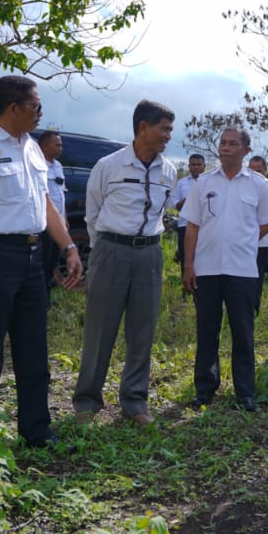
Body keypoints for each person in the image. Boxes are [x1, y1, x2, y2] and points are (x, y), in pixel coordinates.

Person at [0, 76, 82, 448]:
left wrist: (69, 247)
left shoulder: (32, 149)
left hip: (32, 256)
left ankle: (37, 429)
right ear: (13, 108)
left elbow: (45, 203)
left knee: (33, 346)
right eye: (36, 106)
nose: (40, 114)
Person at [72, 101, 177, 427]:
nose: (168, 136)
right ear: (143, 127)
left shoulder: (169, 170)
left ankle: (134, 402)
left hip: (150, 254)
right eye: (164, 129)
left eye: (171, 130)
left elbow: (163, 211)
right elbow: (93, 213)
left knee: (142, 329)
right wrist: (105, 249)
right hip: (111, 250)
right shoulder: (109, 166)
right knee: (100, 328)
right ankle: (87, 401)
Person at [183, 127, 268, 411]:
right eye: (222, 143)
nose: (225, 147)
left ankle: (245, 392)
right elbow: (192, 225)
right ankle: (205, 388)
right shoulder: (205, 182)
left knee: (243, 332)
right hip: (207, 268)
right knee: (207, 330)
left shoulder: (259, 185)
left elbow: (266, 223)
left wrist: (243, 242)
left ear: (245, 150)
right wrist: (188, 265)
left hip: (242, 270)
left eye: (233, 144)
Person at [38, 130, 67, 290]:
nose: (60, 148)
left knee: (52, 262)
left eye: (60, 145)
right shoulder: (37, 165)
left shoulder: (58, 166)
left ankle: (47, 296)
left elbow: (61, 194)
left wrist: (65, 220)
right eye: (57, 145)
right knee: (42, 263)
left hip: (59, 224)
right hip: (44, 225)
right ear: (44, 145)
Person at [249, 154, 268, 315]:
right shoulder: (242, 185)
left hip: (261, 242)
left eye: (259, 170)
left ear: (265, 170)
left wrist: (253, 238)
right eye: (252, 169)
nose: (255, 173)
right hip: (241, 242)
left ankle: (254, 309)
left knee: (257, 277)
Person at [173, 154, 206, 267]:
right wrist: (181, 203)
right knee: (186, 258)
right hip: (185, 226)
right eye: (193, 164)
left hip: (205, 227)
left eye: (199, 164)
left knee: (203, 260)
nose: (196, 167)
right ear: (189, 166)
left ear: (204, 166)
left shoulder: (210, 182)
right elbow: (173, 202)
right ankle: (186, 282)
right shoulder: (182, 183)